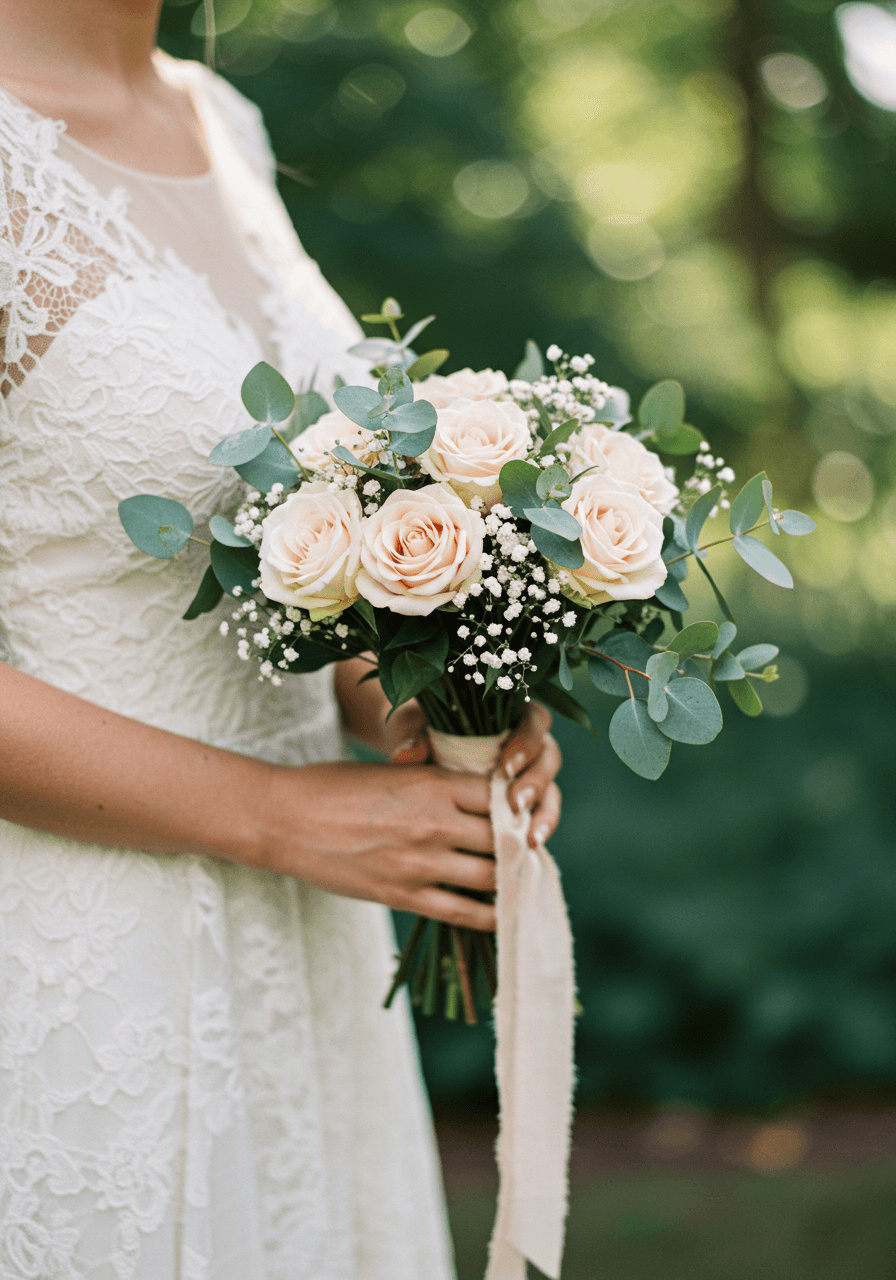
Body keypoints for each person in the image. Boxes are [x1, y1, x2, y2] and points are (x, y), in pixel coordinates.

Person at [0, 3, 562, 1277]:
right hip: (83, 945)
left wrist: (431, 704)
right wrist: (270, 812)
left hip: (311, 943)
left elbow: (274, 541)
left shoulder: (223, 122)